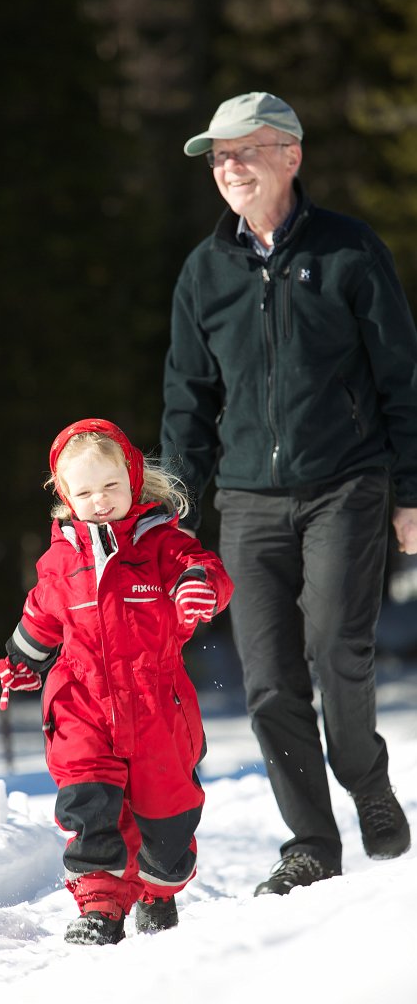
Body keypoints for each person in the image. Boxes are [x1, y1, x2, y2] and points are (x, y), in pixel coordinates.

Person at [161, 91, 417, 897]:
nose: (229, 166)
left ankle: (365, 782)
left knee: (336, 650)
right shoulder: (205, 272)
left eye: (244, 150)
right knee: (269, 681)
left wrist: (411, 490)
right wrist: (173, 513)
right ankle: (310, 843)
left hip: (347, 483)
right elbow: (187, 400)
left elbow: (401, 375)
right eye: (218, 156)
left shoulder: (349, 250)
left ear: (291, 155)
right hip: (248, 500)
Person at [0, 417, 233, 944]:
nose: (100, 500)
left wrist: (197, 587)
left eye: (111, 485)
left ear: (134, 479)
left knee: (167, 818)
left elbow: (204, 569)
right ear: (65, 495)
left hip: (157, 703)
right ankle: (100, 906)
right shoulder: (59, 559)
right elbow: (42, 615)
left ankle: (158, 891)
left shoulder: (163, 544)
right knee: (89, 803)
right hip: (82, 703)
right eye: (85, 492)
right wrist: (21, 661)